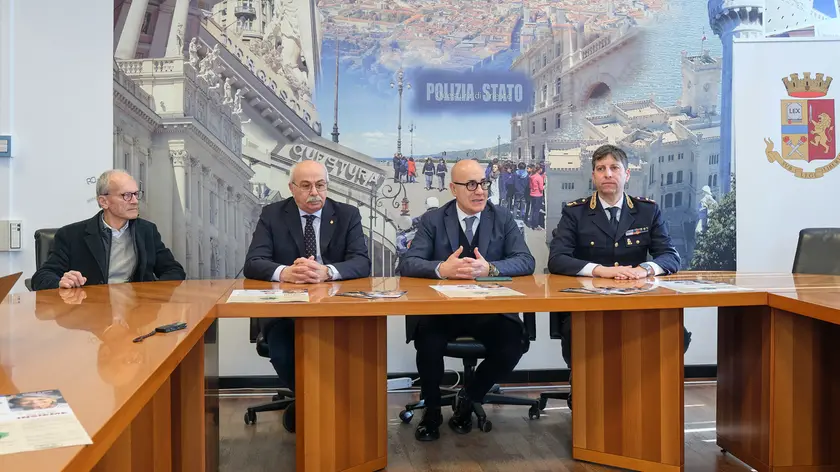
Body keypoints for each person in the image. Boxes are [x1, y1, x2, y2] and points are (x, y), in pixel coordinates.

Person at [398, 159, 535, 442]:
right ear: (453, 189)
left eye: (483, 183)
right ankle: (433, 412)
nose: (480, 191)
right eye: (471, 185)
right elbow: (409, 262)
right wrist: (440, 269)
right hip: (443, 312)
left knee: (513, 343)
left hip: (490, 311)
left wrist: (491, 268)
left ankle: (469, 398)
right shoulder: (433, 220)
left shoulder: (502, 217)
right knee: (428, 343)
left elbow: (526, 260)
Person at [547, 144, 690, 390]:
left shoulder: (647, 211)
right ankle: (584, 387)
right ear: (593, 176)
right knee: (575, 335)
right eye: (601, 169)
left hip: (635, 303)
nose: (608, 174)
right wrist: (600, 270)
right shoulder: (576, 213)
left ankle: (639, 386)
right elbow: (557, 259)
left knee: (678, 334)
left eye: (614, 168)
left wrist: (644, 268)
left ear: (627, 174)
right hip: (587, 306)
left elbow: (670, 256)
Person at [242, 159, 370, 432]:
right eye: (306, 185)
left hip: (336, 309)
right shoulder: (273, 214)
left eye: (320, 185)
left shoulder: (347, 214)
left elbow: (361, 261)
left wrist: (328, 271)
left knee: (357, 351)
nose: (315, 192)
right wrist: (285, 272)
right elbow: (253, 262)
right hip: (286, 312)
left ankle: (325, 409)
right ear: (292, 188)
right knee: (283, 352)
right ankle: (315, 403)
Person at [31, 170, 185, 291]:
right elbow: (41, 277)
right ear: (103, 201)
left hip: (137, 313)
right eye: (127, 195)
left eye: (136, 194)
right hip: (91, 314)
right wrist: (61, 282)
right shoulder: (71, 235)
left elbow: (174, 270)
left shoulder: (147, 231)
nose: (135, 201)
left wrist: (151, 293)